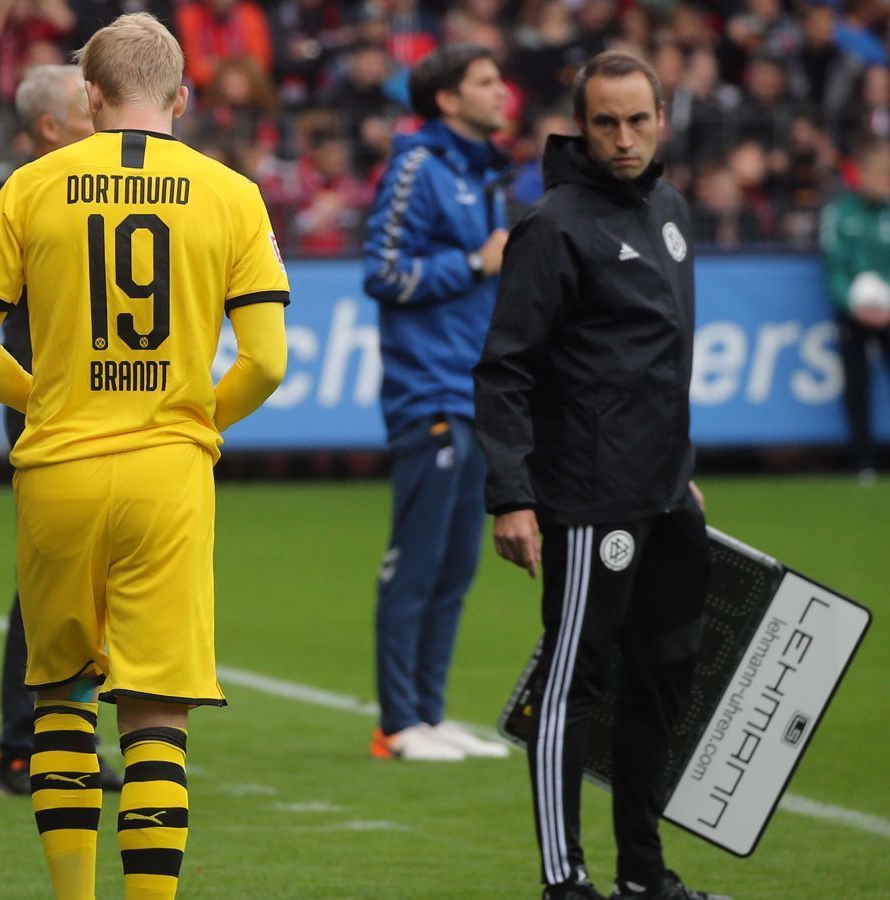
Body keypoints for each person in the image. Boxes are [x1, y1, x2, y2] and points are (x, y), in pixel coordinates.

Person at [0, 14, 288, 900]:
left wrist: (47, 399)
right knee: (156, 718)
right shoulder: (233, 194)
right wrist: (198, 418)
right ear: (181, 95)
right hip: (167, 469)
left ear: (89, 97)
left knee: (60, 701)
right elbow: (267, 361)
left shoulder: (31, 185)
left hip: (57, 466)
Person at [473, 51, 726, 900]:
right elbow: (505, 370)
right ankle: (564, 880)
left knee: (664, 682)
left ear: (662, 118)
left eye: (638, 120)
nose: (624, 138)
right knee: (574, 686)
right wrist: (512, 494)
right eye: (606, 123)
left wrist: (678, 471)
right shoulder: (554, 226)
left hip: (664, 493)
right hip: (589, 501)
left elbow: (661, 364)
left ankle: (644, 878)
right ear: (581, 126)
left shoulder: (671, 209)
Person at [360, 42, 514, 763]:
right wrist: (475, 263)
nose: (501, 91)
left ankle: (428, 710)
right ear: (447, 99)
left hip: (475, 388)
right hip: (430, 389)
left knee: (456, 566)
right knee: (416, 563)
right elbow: (383, 272)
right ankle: (396, 724)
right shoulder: (418, 165)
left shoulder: (482, 173)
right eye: (486, 82)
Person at [0, 62, 124, 799]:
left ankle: (60, 735)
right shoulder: (31, 195)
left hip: (83, 401)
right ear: (49, 127)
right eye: (85, 105)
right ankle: (24, 744)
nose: (101, 112)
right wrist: (39, 403)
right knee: (52, 580)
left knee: (86, 578)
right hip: (50, 400)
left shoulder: (85, 186)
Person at [819, 142, 890, 482]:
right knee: (857, 385)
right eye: (878, 175)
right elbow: (834, 266)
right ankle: (863, 461)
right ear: (861, 176)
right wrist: (853, 304)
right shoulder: (839, 213)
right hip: (853, 313)